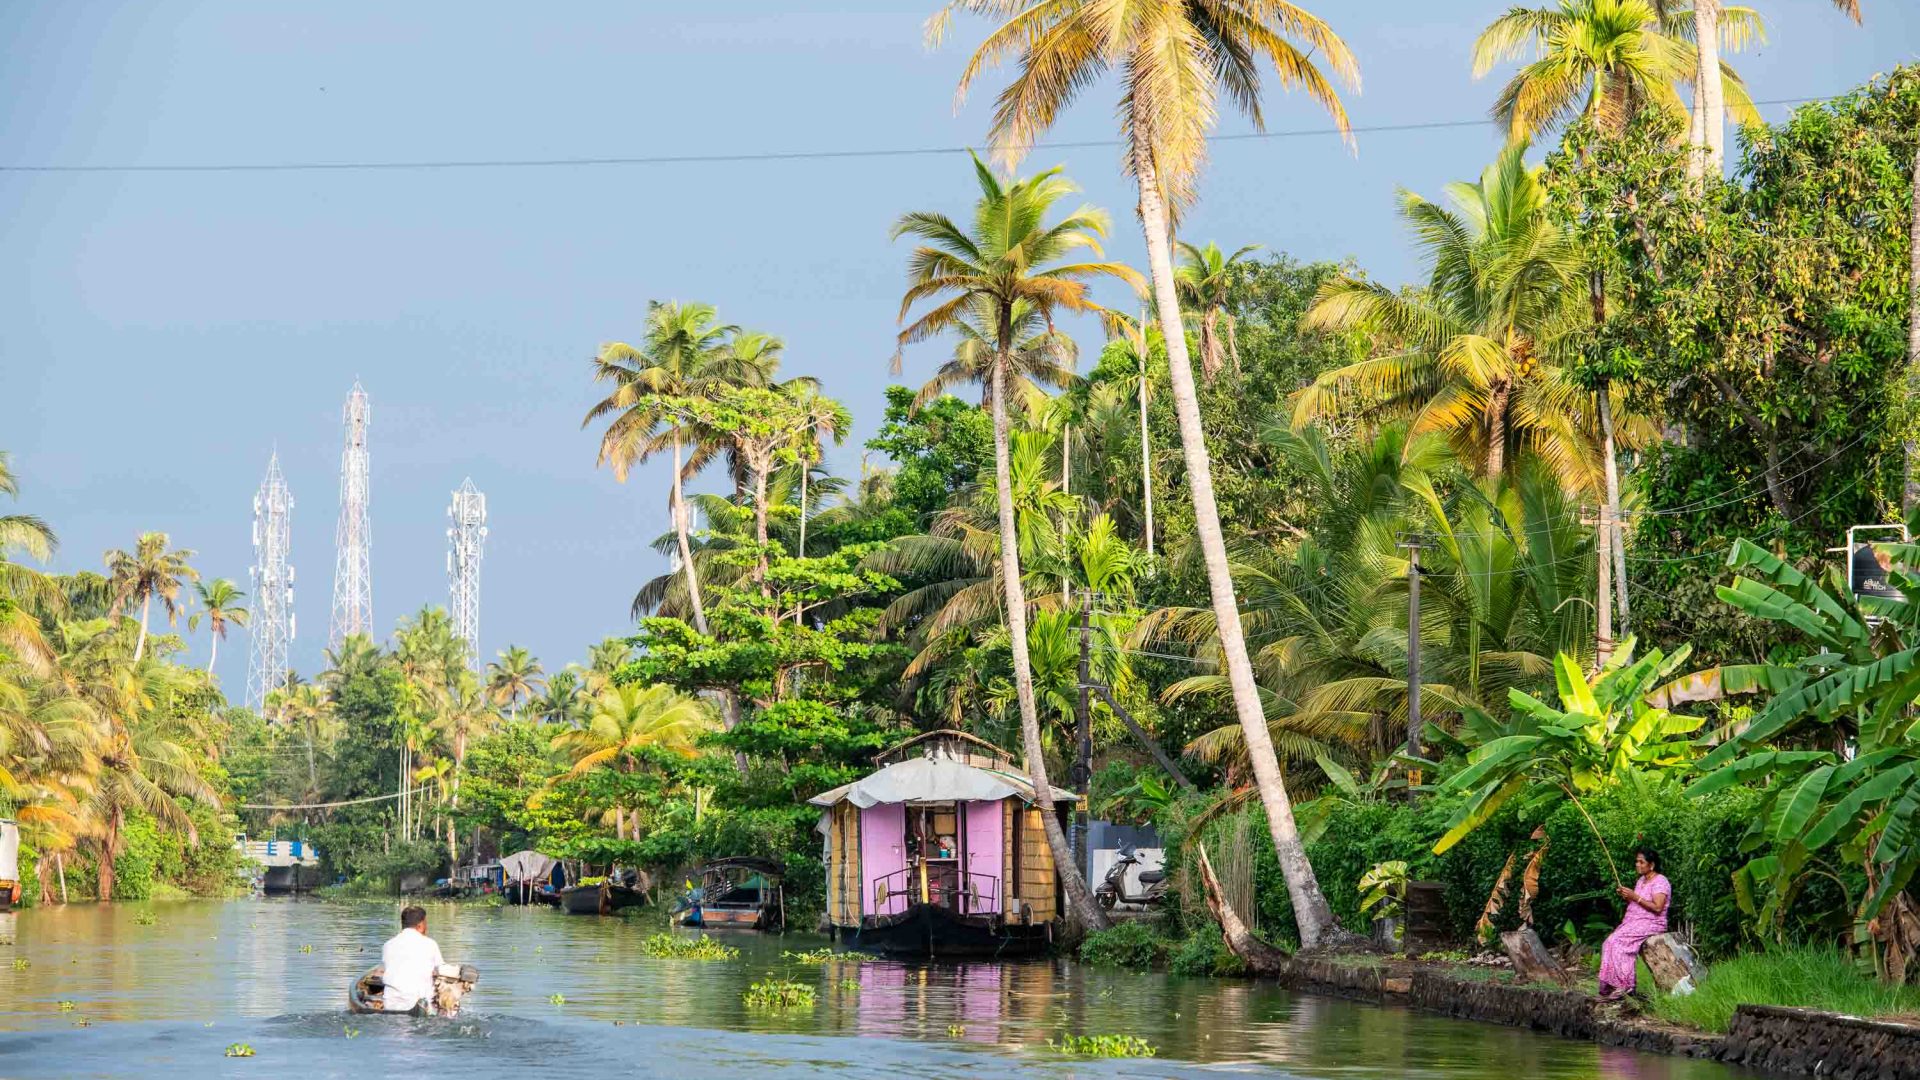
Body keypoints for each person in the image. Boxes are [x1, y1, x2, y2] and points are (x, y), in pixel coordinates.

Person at [1597, 847, 1670, 1001]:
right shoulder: (1641, 881)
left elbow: (1657, 907)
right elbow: (1640, 902)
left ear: (1652, 865)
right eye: (1637, 861)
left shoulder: (1660, 881)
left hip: (1652, 923)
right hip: (1634, 922)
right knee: (1608, 942)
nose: (1637, 864)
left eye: (1641, 862)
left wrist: (1634, 897)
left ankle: (1625, 986)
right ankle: (1611, 986)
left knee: (1618, 943)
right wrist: (1628, 896)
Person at [381, 905, 446, 1014]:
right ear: (420, 925)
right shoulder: (430, 944)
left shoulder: (387, 945)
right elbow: (442, 971)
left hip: (390, 1005)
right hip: (420, 1004)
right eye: (426, 924)